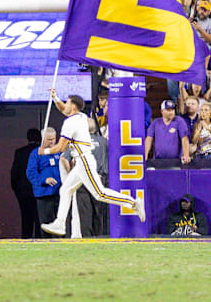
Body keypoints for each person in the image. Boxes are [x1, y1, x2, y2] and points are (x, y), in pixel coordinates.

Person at [40, 91, 145, 236]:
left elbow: (61, 148)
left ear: (74, 106)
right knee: (66, 190)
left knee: (100, 194)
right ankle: (60, 224)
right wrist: (55, 98)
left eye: (68, 102)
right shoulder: (81, 116)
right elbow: (63, 109)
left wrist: (44, 151)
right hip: (81, 161)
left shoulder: (70, 122)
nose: (66, 105)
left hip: (84, 161)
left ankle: (133, 203)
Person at [26, 127, 61, 237]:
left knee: (60, 224)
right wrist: (44, 180)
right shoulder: (36, 153)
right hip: (44, 194)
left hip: (59, 193)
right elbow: (30, 173)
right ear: (43, 139)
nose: (52, 142)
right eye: (49, 139)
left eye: (54, 139)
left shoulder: (59, 151)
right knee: (46, 224)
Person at [11, 128, 41, 238]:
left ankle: (26, 240)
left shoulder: (20, 152)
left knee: (26, 219)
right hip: (40, 190)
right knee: (40, 220)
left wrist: (17, 190)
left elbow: (14, 173)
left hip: (23, 192)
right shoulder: (42, 152)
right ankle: (40, 241)